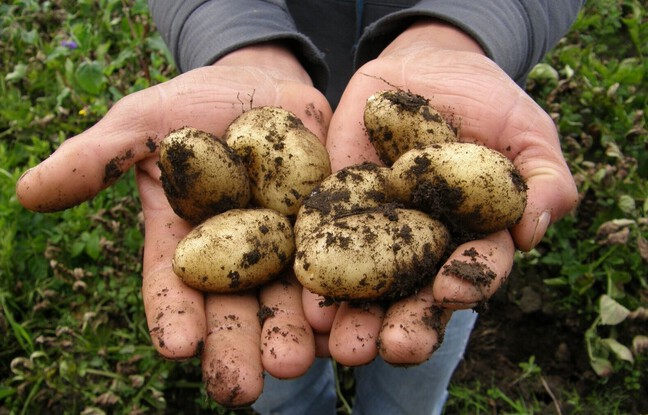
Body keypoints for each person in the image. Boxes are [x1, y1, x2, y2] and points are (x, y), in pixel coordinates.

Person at [16, 1, 583, 413]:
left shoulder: (411, 177)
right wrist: (238, 37)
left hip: (454, 129)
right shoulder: (286, 204)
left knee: (422, 345)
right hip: (273, 101)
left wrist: (466, 31)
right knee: (277, 370)